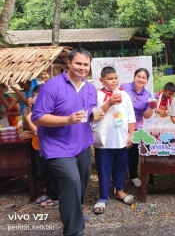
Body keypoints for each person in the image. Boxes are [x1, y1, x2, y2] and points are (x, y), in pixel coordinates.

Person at [32, 48, 101, 236]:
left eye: (86, 64)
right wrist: (67, 120)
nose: (82, 67)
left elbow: (87, 114)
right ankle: (74, 231)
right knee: (71, 181)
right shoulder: (51, 86)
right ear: (68, 64)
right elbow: (37, 118)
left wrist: (95, 115)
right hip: (58, 146)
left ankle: (73, 213)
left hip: (83, 144)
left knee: (80, 186)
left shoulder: (90, 88)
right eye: (78, 63)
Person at [93, 66, 136, 214]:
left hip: (122, 140)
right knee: (104, 169)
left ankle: (119, 190)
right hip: (104, 142)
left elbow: (131, 116)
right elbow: (95, 116)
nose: (113, 81)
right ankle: (103, 196)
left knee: (121, 167)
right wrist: (109, 102)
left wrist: (131, 135)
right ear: (101, 80)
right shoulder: (97, 96)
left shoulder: (125, 95)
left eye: (115, 78)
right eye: (110, 79)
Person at [120, 68, 157, 188]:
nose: (141, 79)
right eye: (139, 76)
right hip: (121, 125)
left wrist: (152, 107)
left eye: (144, 77)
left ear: (147, 80)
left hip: (136, 126)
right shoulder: (124, 87)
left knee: (133, 153)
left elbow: (146, 115)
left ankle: (133, 176)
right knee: (120, 151)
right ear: (134, 77)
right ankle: (119, 177)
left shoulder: (147, 95)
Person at [25, 85, 59, 208]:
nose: (35, 100)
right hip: (37, 145)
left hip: (47, 146)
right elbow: (29, 120)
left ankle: (56, 197)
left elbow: (36, 131)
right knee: (44, 172)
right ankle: (50, 194)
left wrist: (28, 119)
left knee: (51, 172)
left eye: (37, 97)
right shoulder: (37, 109)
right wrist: (29, 108)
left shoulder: (48, 112)